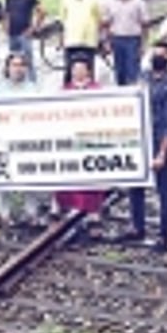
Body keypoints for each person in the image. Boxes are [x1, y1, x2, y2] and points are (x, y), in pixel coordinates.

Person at [128, 40, 167, 252]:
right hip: (140, 138)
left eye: (161, 54)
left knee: (163, 189)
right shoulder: (143, 77)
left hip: (159, 139)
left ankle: (163, 235)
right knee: (135, 183)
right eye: (154, 53)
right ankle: (137, 225)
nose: (156, 57)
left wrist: (162, 152)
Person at [0, 51, 47, 228]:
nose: (18, 69)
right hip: (3, 140)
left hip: (26, 140)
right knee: (1, 175)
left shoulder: (33, 89)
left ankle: (31, 211)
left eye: (21, 65)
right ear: (7, 68)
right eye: (14, 65)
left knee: (29, 175)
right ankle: (4, 213)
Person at [55, 58, 107, 239]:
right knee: (70, 177)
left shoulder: (97, 90)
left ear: (88, 71)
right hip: (69, 141)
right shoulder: (64, 91)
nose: (78, 72)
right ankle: (71, 211)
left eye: (81, 69)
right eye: (75, 69)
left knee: (91, 178)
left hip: (90, 140)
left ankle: (93, 213)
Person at [59, 0, 104, 83]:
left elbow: (99, 19)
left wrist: (101, 39)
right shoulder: (66, 0)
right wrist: (61, 40)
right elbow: (62, 21)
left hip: (88, 42)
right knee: (69, 70)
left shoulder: (93, 0)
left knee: (89, 70)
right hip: (71, 41)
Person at [105, 0, 150, 86]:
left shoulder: (138, 2)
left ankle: (132, 92)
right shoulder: (111, 3)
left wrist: (144, 44)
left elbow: (145, 24)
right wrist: (107, 42)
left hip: (133, 39)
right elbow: (106, 23)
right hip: (116, 39)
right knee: (119, 70)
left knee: (132, 69)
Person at [3, 0, 43, 82]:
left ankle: (32, 83)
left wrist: (34, 28)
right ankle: (14, 83)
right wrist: (5, 28)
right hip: (12, 34)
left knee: (27, 61)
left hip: (24, 34)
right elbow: (6, 14)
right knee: (13, 60)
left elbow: (41, 11)